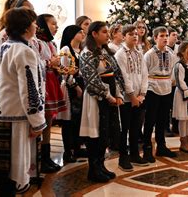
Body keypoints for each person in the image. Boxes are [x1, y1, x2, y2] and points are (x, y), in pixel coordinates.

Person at [0, 7, 46, 195]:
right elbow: (29, 90)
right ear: (25, 27)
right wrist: (38, 122)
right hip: (17, 117)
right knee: (15, 169)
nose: (36, 26)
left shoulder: (3, 47)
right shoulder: (24, 51)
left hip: (3, 113)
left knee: (3, 170)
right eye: (33, 22)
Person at [79, 21, 125, 183]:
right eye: (104, 32)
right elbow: (91, 80)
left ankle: (101, 165)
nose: (108, 34)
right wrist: (108, 96)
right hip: (96, 98)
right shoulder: (87, 54)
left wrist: (118, 94)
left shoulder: (107, 52)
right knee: (95, 134)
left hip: (111, 96)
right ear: (94, 34)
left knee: (105, 134)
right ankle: (93, 169)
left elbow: (116, 75)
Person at [114, 25, 149, 171]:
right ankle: (123, 158)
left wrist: (142, 93)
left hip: (139, 97)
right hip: (127, 98)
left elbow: (144, 74)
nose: (135, 36)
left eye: (136, 34)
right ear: (123, 36)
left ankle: (135, 154)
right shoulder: (120, 54)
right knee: (125, 128)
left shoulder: (139, 53)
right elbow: (124, 77)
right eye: (130, 34)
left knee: (136, 127)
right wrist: (132, 96)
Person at [35, 14, 66, 173]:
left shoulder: (51, 43)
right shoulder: (37, 42)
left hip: (52, 80)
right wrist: (50, 62)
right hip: (43, 83)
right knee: (43, 120)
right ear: (43, 25)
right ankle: (40, 158)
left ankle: (47, 156)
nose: (56, 27)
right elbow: (34, 63)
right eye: (53, 24)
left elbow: (55, 61)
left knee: (50, 120)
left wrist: (58, 65)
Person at [143, 27, 177, 160]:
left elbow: (173, 68)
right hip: (153, 88)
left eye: (166, 35)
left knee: (162, 119)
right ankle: (147, 147)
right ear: (155, 38)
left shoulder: (170, 53)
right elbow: (144, 73)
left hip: (166, 88)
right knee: (150, 119)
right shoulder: (149, 54)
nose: (165, 38)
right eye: (161, 36)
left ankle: (161, 146)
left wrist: (172, 81)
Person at [58, 25, 86, 164]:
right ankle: (68, 151)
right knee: (69, 121)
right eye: (79, 32)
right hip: (71, 88)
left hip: (82, 84)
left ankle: (77, 147)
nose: (83, 34)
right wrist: (75, 86)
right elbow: (64, 71)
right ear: (72, 34)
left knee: (79, 120)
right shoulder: (66, 50)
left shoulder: (82, 50)